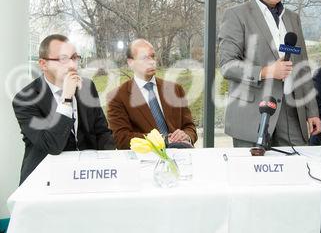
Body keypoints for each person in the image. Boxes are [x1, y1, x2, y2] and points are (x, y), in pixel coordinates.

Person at [218, 0, 321, 147]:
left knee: (295, 173)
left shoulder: (293, 18)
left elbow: (303, 69)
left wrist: (312, 111)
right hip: (252, 113)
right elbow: (227, 65)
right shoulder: (236, 15)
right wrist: (265, 72)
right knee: (253, 175)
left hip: (292, 111)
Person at [12, 34, 115, 184]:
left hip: (87, 173)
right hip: (45, 178)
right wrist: (66, 99)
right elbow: (51, 146)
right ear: (43, 64)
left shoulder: (87, 86)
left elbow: (102, 132)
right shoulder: (25, 99)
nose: (73, 65)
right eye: (63, 59)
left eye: (74, 57)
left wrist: (111, 165)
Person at [107, 39, 197, 149]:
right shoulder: (118, 97)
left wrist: (186, 136)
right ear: (130, 62)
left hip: (181, 156)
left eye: (153, 56)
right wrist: (162, 140)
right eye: (144, 58)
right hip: (145, 161)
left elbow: (189, 126)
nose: (151, 61)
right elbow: (121, 138)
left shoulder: (175, 89)